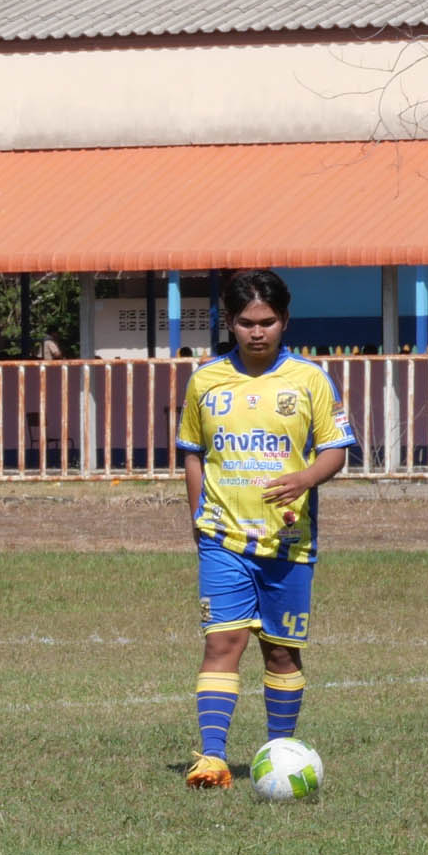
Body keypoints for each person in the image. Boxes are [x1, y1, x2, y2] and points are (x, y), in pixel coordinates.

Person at [176, 270, 352, 789]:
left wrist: (305, 478)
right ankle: (211, 759)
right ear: (230, 322)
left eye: (268, 322)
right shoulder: (205, 381)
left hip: (287, 542)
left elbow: (336, 450)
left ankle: (278, 752)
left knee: (280, 650)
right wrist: (197, 518)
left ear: (285, 321)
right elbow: (193, 454)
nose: (257, 332)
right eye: (247, 322)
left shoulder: (310, 380)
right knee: (222, 642)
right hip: (223, 537)